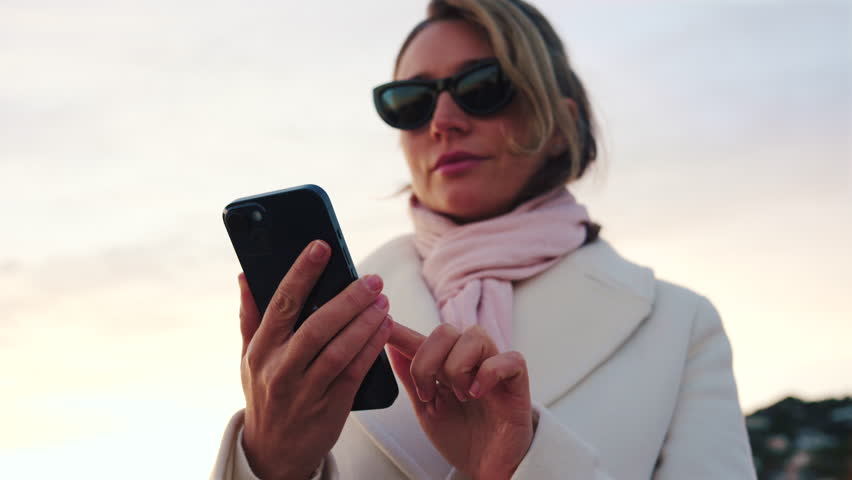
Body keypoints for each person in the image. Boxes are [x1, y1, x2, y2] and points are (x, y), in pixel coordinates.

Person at [211, 0, 757, 478]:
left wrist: (518, 468)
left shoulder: (679, 325)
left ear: (560, 124)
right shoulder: (336, 311)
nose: (443, 120)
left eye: (483, 88)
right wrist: (268, 462)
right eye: (410, 101)